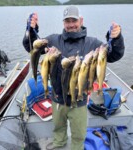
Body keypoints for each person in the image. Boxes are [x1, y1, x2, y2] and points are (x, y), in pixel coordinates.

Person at [23, 5, 125, 150]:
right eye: (67, 21)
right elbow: (32, 48)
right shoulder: (53, 40)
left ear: (81, 20)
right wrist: (32, 30)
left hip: (79, 100)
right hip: (57, 98)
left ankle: (77, 147)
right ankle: (59, 144)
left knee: (78, 133)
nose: (71, 24)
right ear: (63, 23)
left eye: (74, 20)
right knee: (58, 128)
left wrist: (115, 39)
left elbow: (114, 55)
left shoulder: (93, 44)